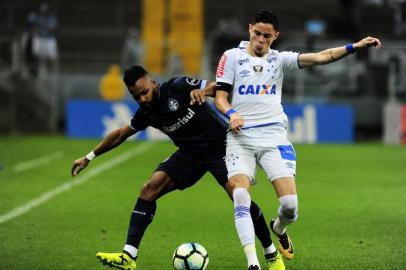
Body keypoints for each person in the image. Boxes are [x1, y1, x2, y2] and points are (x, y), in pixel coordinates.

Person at [214, 9, 381, 270]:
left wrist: (355, 46)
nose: (260, 40)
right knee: (240, 194)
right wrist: (232, 113)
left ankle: (278, 228)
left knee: (290, 206)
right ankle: (253, 263)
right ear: (249, 29)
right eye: (257, 33)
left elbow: (322, 57)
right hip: (240, 138)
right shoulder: (231, 57)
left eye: (266, 36)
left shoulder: (280, 60)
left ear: (275, 36)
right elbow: (221, 97)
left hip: (274, 138)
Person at [71, 66, 279, 270]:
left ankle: (271, 253)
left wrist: (203, 91)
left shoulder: (178, 87)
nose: (142, 99)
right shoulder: (146, 113)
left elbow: (222, 87)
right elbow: (120, 134)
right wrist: (89, 156)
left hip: (221, 148)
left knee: (239, 196)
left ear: (153, 83)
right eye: (136, 97)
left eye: (145, 92)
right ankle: (128, 256)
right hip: (190, 154)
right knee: (149, 189)